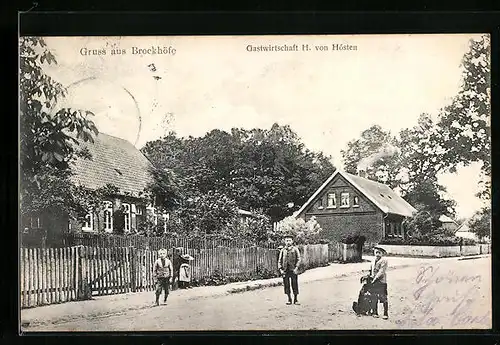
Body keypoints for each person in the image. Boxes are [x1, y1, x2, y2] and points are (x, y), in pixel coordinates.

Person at [277, 234, 302, 305]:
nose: (288, 242)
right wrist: (280, 269)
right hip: (285, 270)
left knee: (294, 284)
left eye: (289, 240)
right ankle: (289, 299)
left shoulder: (295, 249)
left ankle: (296, 299)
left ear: (292, 241)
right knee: (286, 285)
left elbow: (299, 259)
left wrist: (296, 268)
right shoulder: (283, 250)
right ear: (284, 241)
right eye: (286, 240)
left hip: (293, 270)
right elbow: (279, 260)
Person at [370, 246, 389, 319]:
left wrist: (375, 279)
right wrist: (370, 277)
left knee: (383, 297)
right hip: (374, 282)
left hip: (381, 282)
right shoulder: (373, 261)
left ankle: (385, 313)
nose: (377, 254)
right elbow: (371, 270)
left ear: (382, 254)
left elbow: (381, 271)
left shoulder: (384, 261)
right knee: (374, 296)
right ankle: (375, 312)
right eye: (376, 252)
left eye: (379, 253)